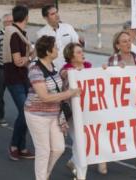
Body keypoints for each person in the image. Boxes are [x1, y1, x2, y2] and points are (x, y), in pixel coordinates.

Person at [104, 31, 136, 180]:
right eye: (124, 41)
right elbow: (110, 82)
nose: (128, 44)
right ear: (117, 45)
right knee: (115, 136)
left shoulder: (135, 57)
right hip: (120, 106)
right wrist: (116, 71)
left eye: (129, 41)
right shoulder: (113, 59)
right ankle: (101, 158)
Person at [25, 36, 79, 180]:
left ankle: (45, 174)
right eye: (55, 47)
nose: (58, 49)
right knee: (43, 150)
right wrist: (68, 94)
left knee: (58, 148)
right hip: (37, 114)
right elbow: (44, 96)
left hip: (53, 114)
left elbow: (56, 84)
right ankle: (41, 177)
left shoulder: (52, 65)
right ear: (48, 52)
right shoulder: (35, 68)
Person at [3, 5, 35, 161]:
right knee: (25, 112)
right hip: (15, 78)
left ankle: (22, 147)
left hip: (23, 77)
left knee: (27, 113)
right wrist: (29, 58)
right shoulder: (14, 34)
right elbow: (17, 61)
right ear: (26, 17)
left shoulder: (21, 33)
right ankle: (14, 146)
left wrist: (29, 56)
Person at [60, 42, 92, 180]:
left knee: (85, 140)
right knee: (79, 141)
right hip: (72, 112)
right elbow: (64, 75)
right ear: (71, 56)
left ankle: (73, 161)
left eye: (82, 51)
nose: (82, 54)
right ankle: (79, 174)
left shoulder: (89, 66)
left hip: (87, 109)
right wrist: (71, 73)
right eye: (78, 52)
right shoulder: (66, 70)